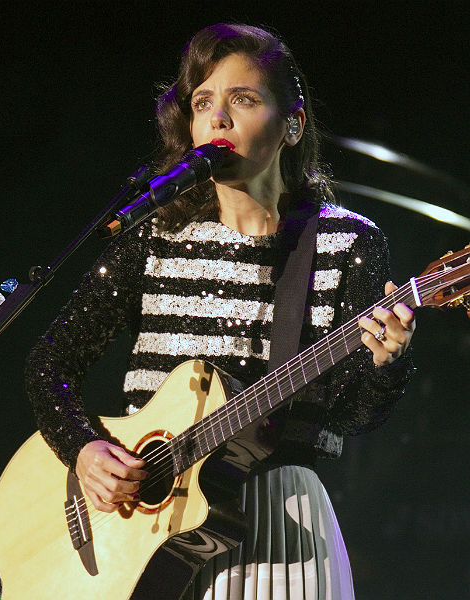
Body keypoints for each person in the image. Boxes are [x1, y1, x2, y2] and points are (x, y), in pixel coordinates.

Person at [25, 23, 415, 600]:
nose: (218, 118)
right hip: (142, 530)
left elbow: (353, 417)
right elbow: (49, 362)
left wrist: (389, 362)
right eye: (203, 101)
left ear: (292, 124)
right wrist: (84, 448)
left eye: (245, 99)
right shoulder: (154, 234)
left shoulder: (347, 244)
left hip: (282, 526)